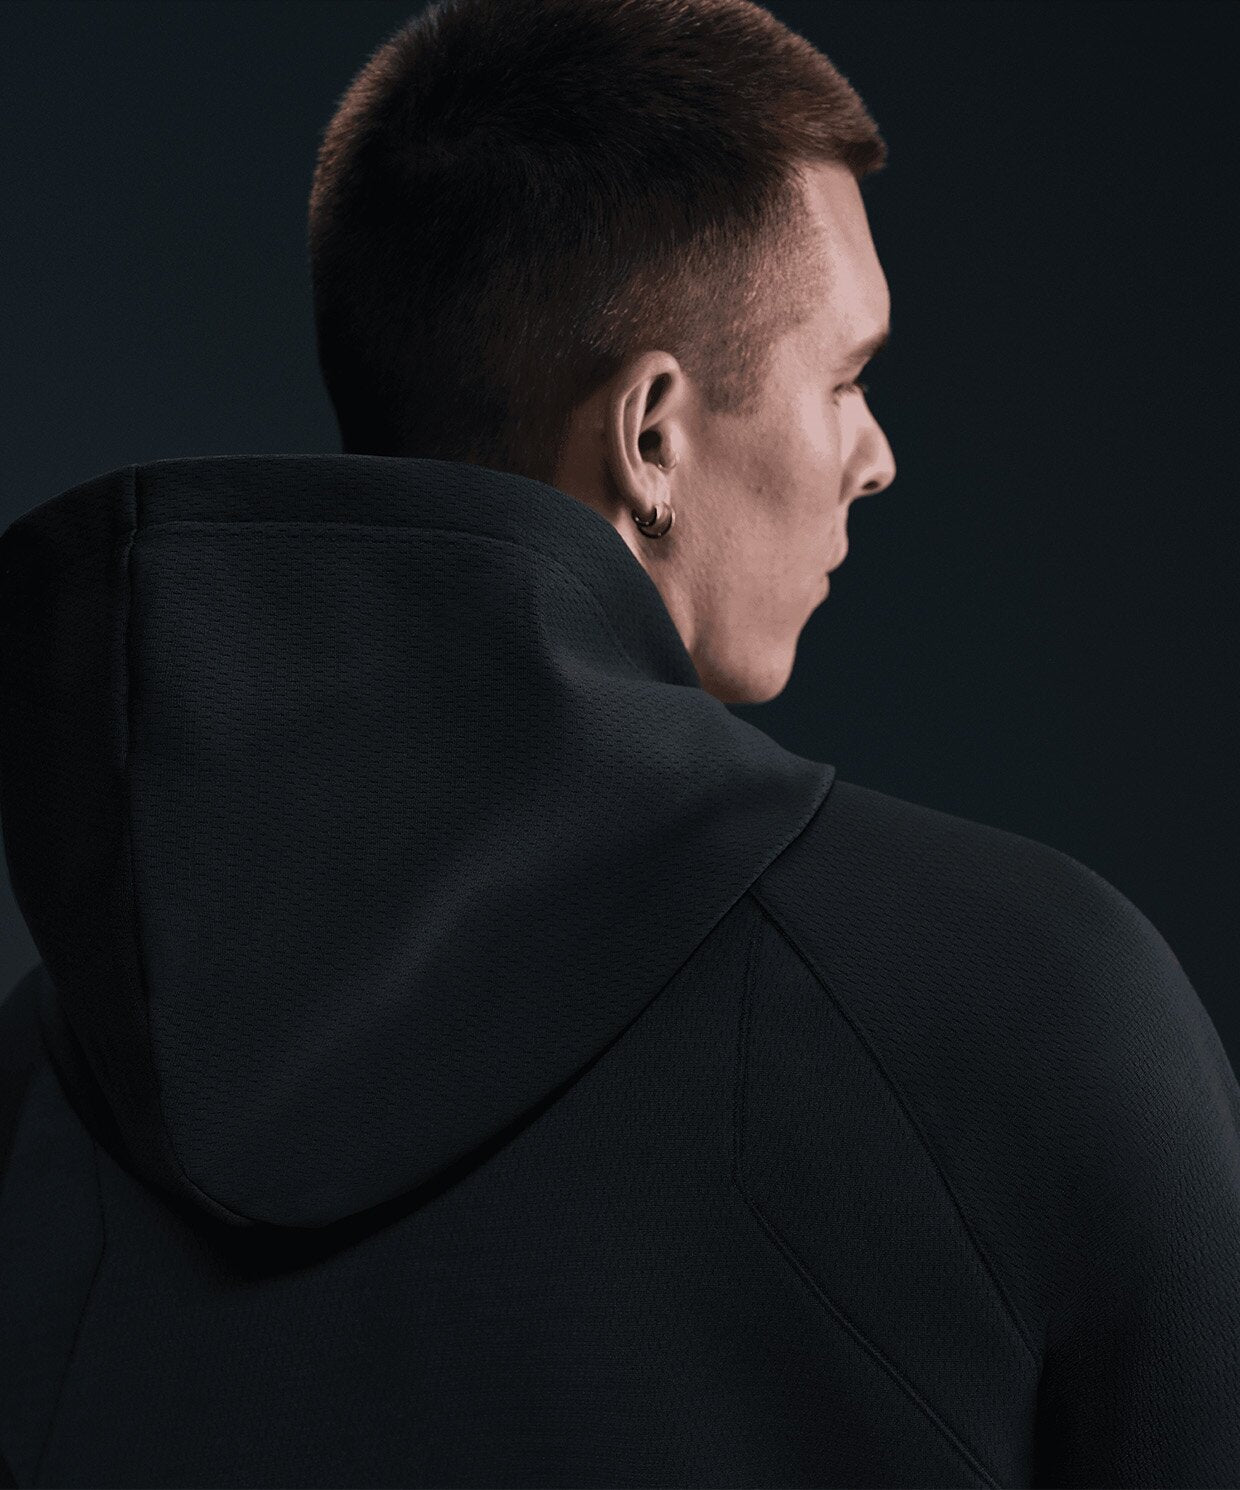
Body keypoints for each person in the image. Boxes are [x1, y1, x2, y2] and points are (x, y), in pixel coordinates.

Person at [0, 0, 1236, 1486]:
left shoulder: (37, 1087)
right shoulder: (1038, 1016)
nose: (878, 455)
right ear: (653, 434)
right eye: (847, 377)